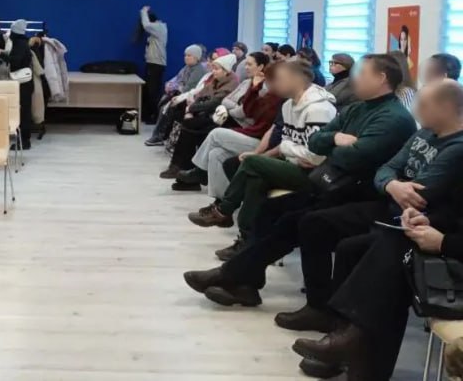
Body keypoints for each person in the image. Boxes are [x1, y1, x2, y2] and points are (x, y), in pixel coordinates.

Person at [183, 54, 417, 309]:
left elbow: (352, 157)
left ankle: (242, 278)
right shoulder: (357, 108)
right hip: (334, 185)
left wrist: (332, 147)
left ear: (381, 78)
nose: (354, 78)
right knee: (270, 208)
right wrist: (336, 139)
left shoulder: (392, 118)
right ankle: (244, 282)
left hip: (357, 193)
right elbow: (316, 142)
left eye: (361, 73)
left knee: (305, 222)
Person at [288, 80, 463, 380]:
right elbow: (387, 171)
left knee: (392, 254)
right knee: (353, 247)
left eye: (423, 104)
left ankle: (353, 349)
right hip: (412, 218)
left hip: (445, 248)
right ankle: (348, 345)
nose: (416, 110)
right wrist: (398, 190)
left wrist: (443, 241)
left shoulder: (457, 148)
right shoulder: (425, 133)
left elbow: (423, 191)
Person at [187, 60, 337, 238]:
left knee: (252, 163)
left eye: (280, 79)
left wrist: (285, 149)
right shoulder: (288, 105)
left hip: (314, 174)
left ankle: (224, 210)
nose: (273, 83)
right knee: (255, 177)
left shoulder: (319, 109)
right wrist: (272, 153)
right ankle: (247, 237)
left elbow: (314, 158)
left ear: (297, 80)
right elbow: (287, 142)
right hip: (293, 162)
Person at [176, 60, 282, 200]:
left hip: (258, 139)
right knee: (215, 153)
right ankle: (222, 200)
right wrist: (254, 88)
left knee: (215, 133)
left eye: (250, 64)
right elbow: (245, 108)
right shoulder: (260, 89)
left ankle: (199, 172)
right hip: (248, 129)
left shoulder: (278, 97)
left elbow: (244, 113)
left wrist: (232, 108)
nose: (246, 67)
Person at [159, 54, 239, 178]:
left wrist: (191, 109)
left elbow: (214, 103)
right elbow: (199, 95)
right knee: (183, 118)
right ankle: (180, 166)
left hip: (220, 119)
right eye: (213, 68)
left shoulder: (231, 84)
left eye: (217, 69)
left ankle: (182, 167)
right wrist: (190, 110)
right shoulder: (215, 80)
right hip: (206, 114)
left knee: (189, 125)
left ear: (226, 70)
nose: (213, 71)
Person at [145, 45, 206, 146]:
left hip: (189, 98)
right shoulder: (187, 68)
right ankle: (160, 134)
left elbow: (188, 88)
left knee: (167, 108)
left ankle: (160, 136)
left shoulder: (198, 70)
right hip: (180, 94)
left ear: (196, 57)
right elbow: (178, 80)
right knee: (163, 103)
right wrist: (173, 87)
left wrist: (177, 89)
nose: (186, 57)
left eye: (189, 55)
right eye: (185, 55)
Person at [0, 19, 35, 149]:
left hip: (23, 83)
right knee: (23, 111)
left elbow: (15, 61)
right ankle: (23, 140)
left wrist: (0, 53)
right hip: (24, 82)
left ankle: (24, 142)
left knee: (23, 112)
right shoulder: (22, 43)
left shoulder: (19, 44)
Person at [140, 6, 168, 124]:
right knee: (148, 90)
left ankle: (154, 116)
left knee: (153, 91)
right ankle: (147, 115)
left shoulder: (159, 27)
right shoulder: (157, 31)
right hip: (152, 63)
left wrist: (143, 12)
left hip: (156, 64)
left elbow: (146, 25)